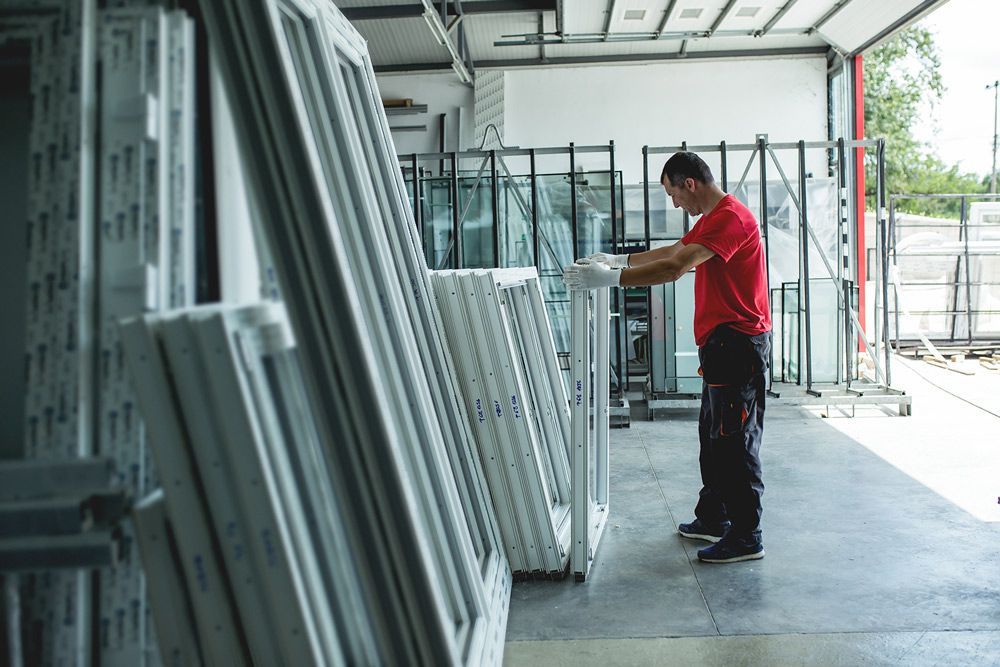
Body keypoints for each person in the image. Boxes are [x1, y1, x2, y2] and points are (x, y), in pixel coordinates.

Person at [563, 151, 772, 564]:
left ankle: (747, 536)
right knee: (713, 439)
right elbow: (674, 249)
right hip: (720, 346)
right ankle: (715, 518)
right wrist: (619, 260)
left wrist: (613, 279)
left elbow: (677, 266)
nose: (674, 203)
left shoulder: (732, 218)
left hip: (738, 345)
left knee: (734, 443)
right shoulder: (710, 220)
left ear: (688, 183)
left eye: (673, 193)